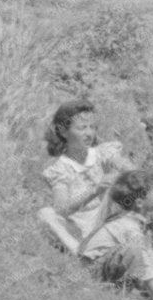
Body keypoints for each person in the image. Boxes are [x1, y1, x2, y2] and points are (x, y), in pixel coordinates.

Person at [80, 170, 153, 300]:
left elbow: (152, 259)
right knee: (136, 251)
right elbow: (143, 262)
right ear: (140, 202)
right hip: (94, 272)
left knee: (150, 255)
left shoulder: (137, 222)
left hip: (110, 266)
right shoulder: (127, 225)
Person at [39, 101, 134, 248]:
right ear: (64, 132)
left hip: (108, 222)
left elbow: (126, 168)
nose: (89, 134)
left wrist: (123, 171)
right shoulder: (60, 169)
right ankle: (80, 253)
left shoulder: (103, 153)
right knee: (45, 214)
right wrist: (94, 191)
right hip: (78, 231)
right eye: (82, 128)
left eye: (92, 127)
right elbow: (61, 209)